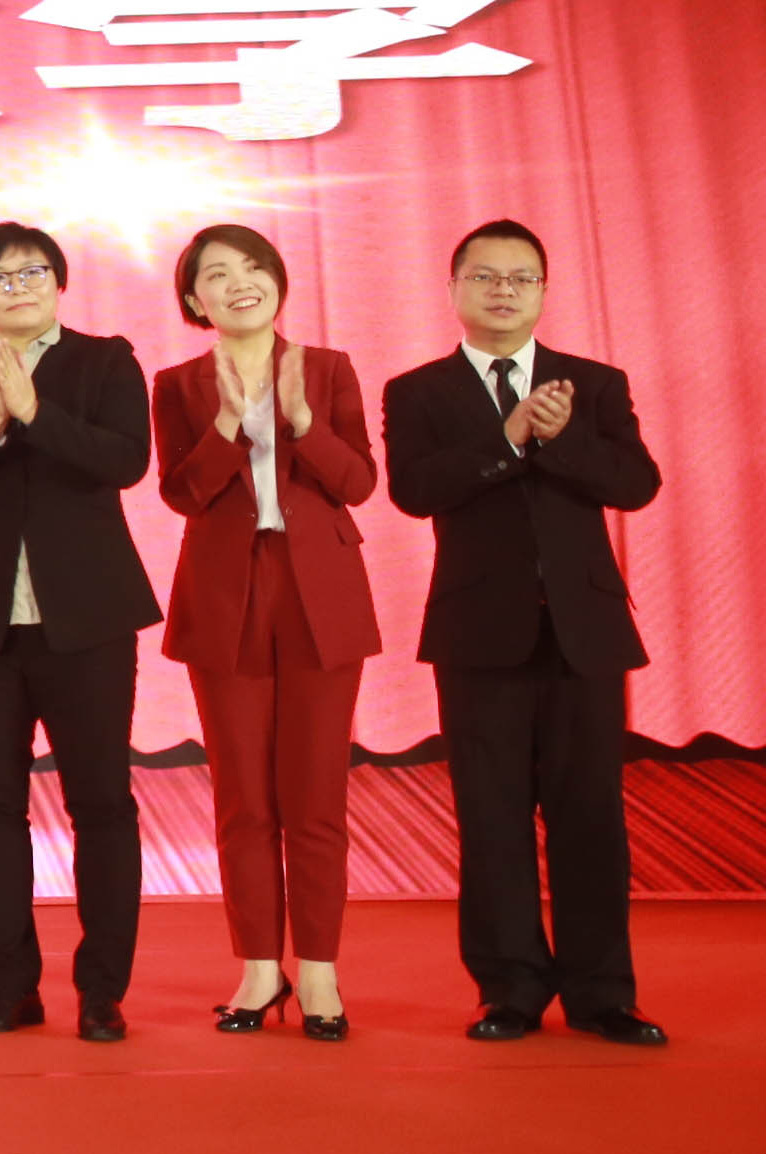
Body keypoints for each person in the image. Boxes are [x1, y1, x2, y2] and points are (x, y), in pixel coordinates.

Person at [382, 219, 666, 1047]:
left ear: (543, 290)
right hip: (478, 633)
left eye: (520, 278)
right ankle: (508, 989)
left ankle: (603, 994)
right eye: (485, 276)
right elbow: (415, 490)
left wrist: (561, 437)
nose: (503, 290)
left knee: (592, 816)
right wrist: (509, 439)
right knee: (492, 817)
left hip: (586, 632)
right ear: (454, 288)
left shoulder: (595, 383)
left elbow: (636, 484)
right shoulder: (419, 390)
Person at [0, 221, 157, 1043]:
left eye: (32, 272)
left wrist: (36, 415)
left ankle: (102, 991)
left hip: (88, 620)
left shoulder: (105, 361)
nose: (17, 287)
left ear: (59, 281)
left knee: (101, 803)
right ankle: (11, 986)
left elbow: (125, 461)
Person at [148, 224, 380, 1042]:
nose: (239, 283)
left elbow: (358, 482)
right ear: (194, 299)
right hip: (225, 598)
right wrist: (224, 427)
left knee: (316, 797)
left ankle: (318, 972)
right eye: (217, 274)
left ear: (278, 280)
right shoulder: (176, 383)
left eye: (253, 267)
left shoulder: (328, 367)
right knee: (243, 798)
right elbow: (181, 494)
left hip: (321, 596)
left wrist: (304, 423)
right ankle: (257, 968)